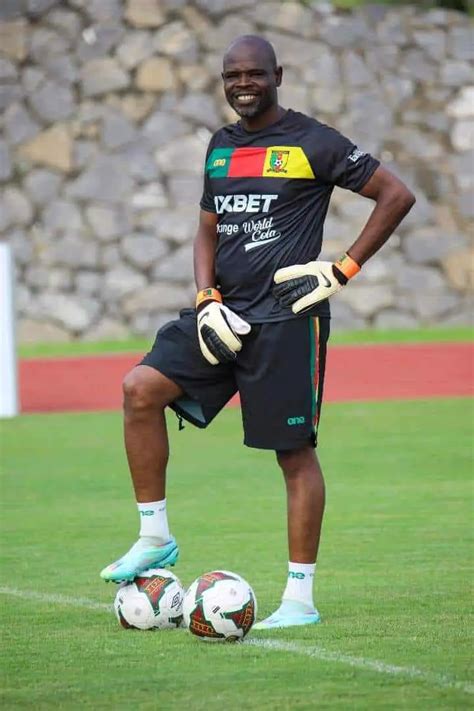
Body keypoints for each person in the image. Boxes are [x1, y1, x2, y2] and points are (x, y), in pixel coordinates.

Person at [100, 35, 415, 629]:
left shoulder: (315, 142)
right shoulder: (220, 147)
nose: (243, 84)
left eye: (254, 74)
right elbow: (206, 231)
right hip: (221, 316)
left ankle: (299, 600)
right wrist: (205, 297)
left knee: (293, 456)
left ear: (278, 75)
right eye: (232, 76)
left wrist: (341, 269)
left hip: (287, 321)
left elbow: (395, 195)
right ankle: (154, 536)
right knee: (139, 388)